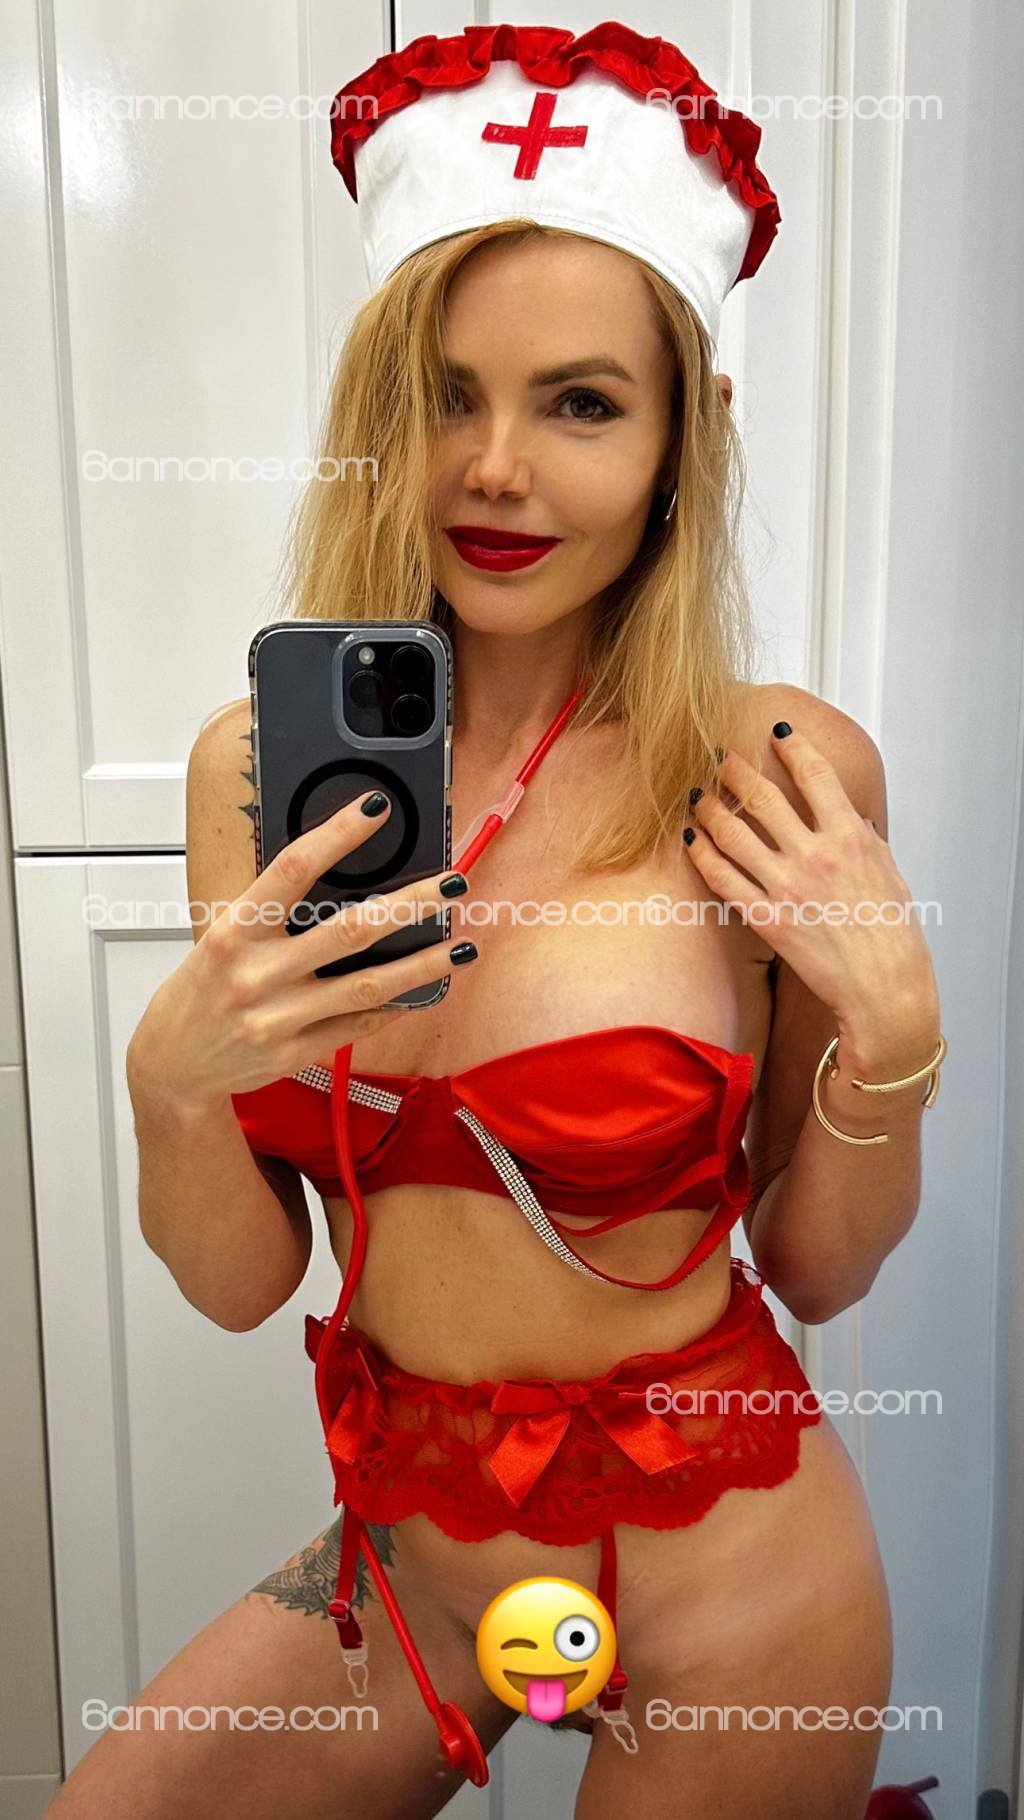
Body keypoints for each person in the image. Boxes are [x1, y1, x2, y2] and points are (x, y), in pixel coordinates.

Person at [47, 21, 945, 1819]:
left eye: (581, 403)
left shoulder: (768, 771)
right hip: (417, 1558)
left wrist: (899, 1041)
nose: (495, 469)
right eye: (446, 397)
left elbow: (822, 1268)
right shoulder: (257, 771)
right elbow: (244, 1287)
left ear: (687, 440)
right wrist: (170, 1088)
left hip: (732, 1580)